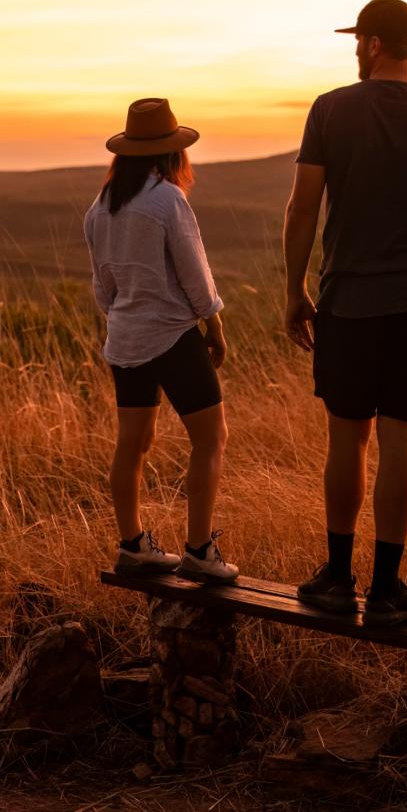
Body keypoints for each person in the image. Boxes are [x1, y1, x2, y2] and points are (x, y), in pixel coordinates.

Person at [283, 0, 407, 626]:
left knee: (347, 441)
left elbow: (303, 208)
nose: (354, 52)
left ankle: (338, 579)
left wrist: (295, 290)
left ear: (372, 44)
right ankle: (388, 589)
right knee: (401, 446)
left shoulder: (330, 109)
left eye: (357, 41)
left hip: (349, 304)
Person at [84, 98, 238, 583]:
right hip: (172, 335)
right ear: (171, 154)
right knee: (211, 439)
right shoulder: (168, 199)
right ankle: (199, 550)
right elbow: (195, 273)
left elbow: (102, 287)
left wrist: (123, 316)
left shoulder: (100, 207)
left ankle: (133, 546)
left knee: (132, 445)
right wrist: (213, 326)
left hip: (124, 339)